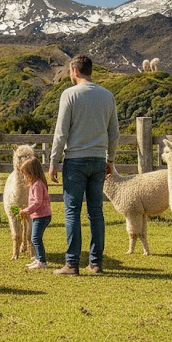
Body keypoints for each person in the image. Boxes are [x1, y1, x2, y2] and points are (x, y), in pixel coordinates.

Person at [49, 55, 119, 276]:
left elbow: (61, 133)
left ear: (75, 71)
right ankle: (96, 263)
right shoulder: (107, 96)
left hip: (75, 160)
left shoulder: (69, 94)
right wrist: (110, 160)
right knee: (96, 212)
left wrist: (53, 161)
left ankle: (72, 264)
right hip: (98, 160)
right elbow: (114, 133)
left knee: (72, 212)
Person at [18, 156, 52, 270]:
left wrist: (27, 210)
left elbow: (38, 202)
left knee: (36, 238)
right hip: (39, 216)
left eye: (25, 174)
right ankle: (38, 258)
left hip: (42, 216)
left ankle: (42, 261)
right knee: (35, 238)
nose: (24, 177)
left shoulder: (37, 185)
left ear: (32, 173)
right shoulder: (36, 184)